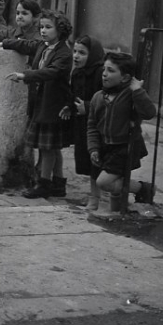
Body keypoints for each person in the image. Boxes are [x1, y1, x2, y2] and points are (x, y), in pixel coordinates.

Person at [0, 10, 73, 198]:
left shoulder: (64, 53)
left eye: (48, 27)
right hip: (41, 103)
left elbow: (51, 72)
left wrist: (25, 75)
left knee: (47, 148)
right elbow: (24, 44)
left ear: (61, 30)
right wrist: (2, 44)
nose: (43, 30)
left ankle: (44, 183)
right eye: (41, 27)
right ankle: (58, 183)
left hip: (53, 105)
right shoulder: (43, 45)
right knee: (52, 148)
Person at [87, 52, 157, 212]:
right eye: (104, 69)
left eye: (111, 70)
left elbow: (149, 112)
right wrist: (94, 148)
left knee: (104, 182)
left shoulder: (130, 95)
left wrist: (137, 91)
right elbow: (92, 126)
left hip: (125, 147)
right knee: (115, 181)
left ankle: (142, 188)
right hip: (106, 147)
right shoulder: (98, 97)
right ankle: (116, 211)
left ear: (125, 78)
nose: (104, 73)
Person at [59, 36, 105, 210]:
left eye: (82, 53)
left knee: (96, 159)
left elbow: (105, 99)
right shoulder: (78, 72)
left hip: (98, 124)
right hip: (83, 122)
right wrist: (70, 107)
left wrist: (86, 107)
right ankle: (97, 193)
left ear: (92, 55)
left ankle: (96, 197)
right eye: (75, 52)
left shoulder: (100, 73)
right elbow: (75, 93)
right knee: (86, 158)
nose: (76, 56)